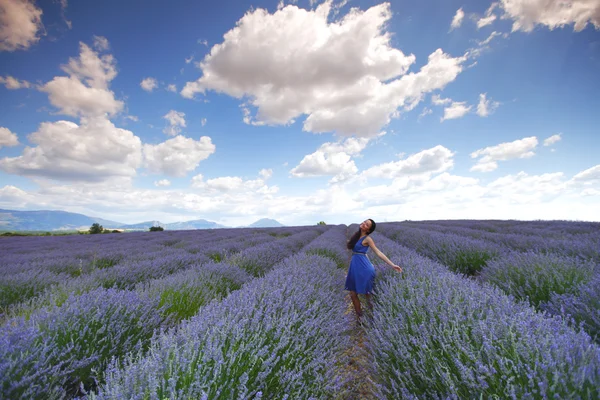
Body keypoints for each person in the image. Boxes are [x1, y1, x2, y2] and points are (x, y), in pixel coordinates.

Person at [345, 218, 402, 324]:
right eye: (363, 222)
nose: (363, 224)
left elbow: (378, 253)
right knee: (353, 294)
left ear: (368, 230)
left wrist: (392, 265)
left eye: (366, 225)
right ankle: (360, 318)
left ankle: (374, 318)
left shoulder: (367, 239)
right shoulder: (356, 236)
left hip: (364, 269)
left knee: (368, 294)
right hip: (355, 268)